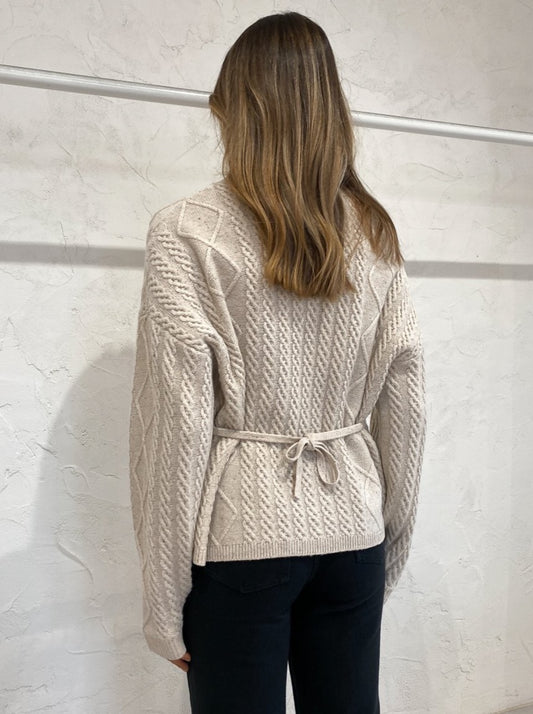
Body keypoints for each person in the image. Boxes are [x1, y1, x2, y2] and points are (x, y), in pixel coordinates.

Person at [128, 10, 427, 714]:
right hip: (353, 535)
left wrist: (164, 604)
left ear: (237, 110)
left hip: (242, 544)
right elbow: (407, 402)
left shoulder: (186, 231)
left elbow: (175, 426)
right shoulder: (374, 232)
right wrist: (385, 550)